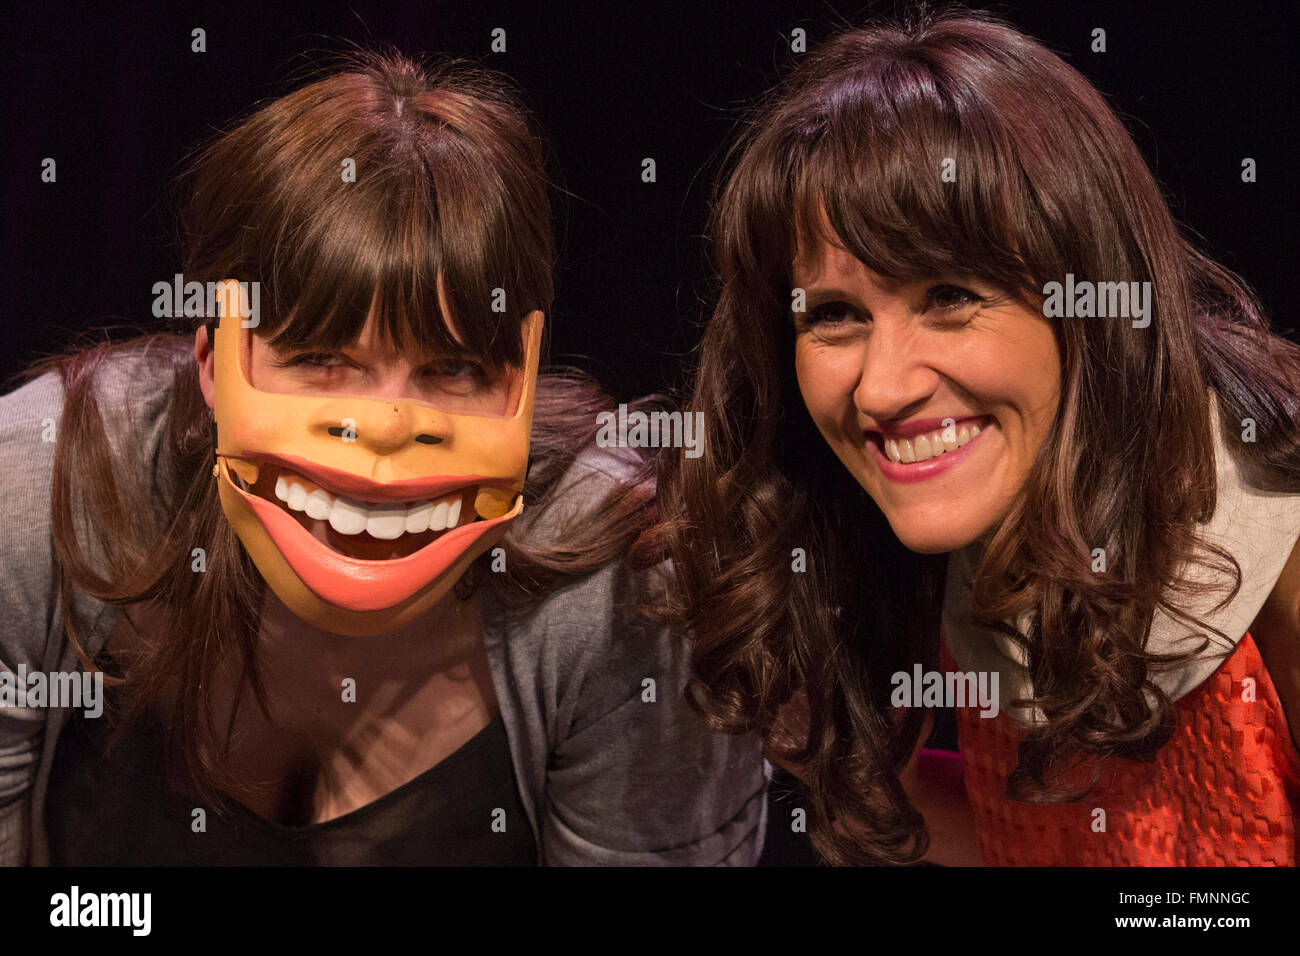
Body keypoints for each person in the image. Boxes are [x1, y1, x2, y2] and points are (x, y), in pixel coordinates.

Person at [0, 51, 767, 866]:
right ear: (212, 360)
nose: (388, 426)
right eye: (323, 357)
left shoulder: (626, 582)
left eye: (454, 368)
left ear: (523, 376)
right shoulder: (42, 484)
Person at [664, 9, 1300, 866]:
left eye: (950, 297)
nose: (883, 387)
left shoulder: (1281, 546)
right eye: (837, 315)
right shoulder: (953, 530)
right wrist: (832, 758)